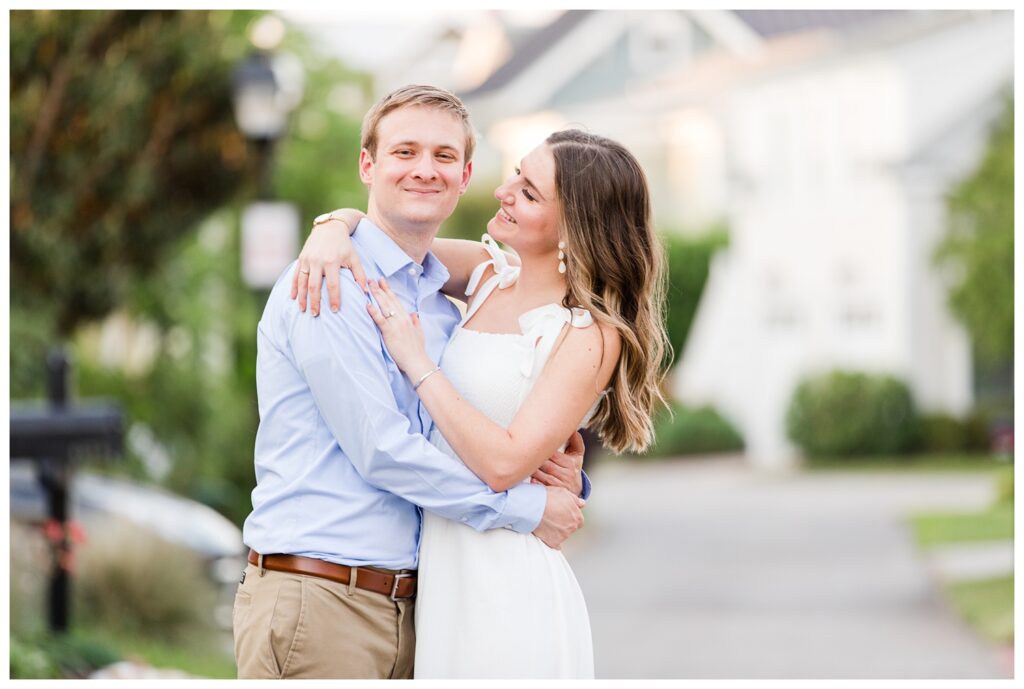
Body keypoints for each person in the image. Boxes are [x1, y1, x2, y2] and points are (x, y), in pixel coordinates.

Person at [233, 85, 590, 680]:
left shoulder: (452, 298)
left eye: (444, 157)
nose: (425, 170)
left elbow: (468, 432)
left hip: (424, 608)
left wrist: (553, 471)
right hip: (320, 598)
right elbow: (384, 451)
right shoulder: (330, 283)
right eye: (405, 152)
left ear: (466, 174)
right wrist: (529, 507)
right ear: (367, 166)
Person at [294, 128, 670, 678]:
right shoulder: (486, 274)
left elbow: (503, 463)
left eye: (530, 191)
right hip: (443, 578)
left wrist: (416, 362)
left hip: (508, 582)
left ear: (574, 226)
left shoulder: (588, 334)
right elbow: (382, 242)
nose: (504, 191)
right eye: (517, 173)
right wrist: (331, 227)